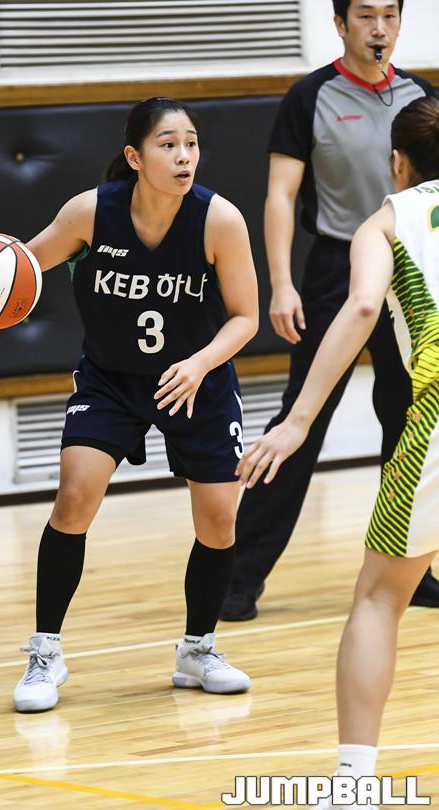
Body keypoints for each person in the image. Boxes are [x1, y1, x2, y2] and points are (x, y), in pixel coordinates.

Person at [0, 97, 259, 711]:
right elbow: (22, 264)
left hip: (195, 379)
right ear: (135, 158)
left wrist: (199, 363)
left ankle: (198, 650)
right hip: (111, 381)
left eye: (191, 143)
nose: (184, 156)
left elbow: (246, 317)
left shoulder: (220, 220)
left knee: (220, 519)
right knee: (74, 497)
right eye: (168, 145)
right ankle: (45, 653)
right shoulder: (91, 212)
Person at [237, 95, 439, 810]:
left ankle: (354, 783)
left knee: (379, 599)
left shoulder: (385, 222)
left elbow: (360, 309)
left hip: (436, 422)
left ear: (397, 163)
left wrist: (298, 421)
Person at [221, 0, 439, 622]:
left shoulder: (421, 98)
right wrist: (282, 284)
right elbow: (280, 195)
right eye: (366, 16)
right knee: (303, 417)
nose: (379, 28)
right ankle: (237, 577)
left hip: (411, 263)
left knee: (409, 420)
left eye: (390, 16)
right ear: (341, 24)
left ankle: (415, 568)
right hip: (336, 267)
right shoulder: (309, 96)